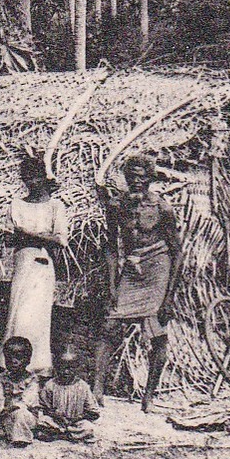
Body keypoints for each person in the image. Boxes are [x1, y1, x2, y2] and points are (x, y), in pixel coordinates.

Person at [95, 154, 183, 413]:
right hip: (132, 268)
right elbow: (112, 248)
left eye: (142, 178)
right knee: (110, 325)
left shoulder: (162, 209)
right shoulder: (117, 206)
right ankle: (97, 390)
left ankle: (149, 397)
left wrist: (168, 297)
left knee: (157, 333)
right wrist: (112, 285)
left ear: (150, 179)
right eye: (132, 177)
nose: (136, 182)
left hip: (158, 266)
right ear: (125, 177)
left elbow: (177, 252)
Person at [4, 153, 69, 374]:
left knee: (38, 316)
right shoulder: (16, 205)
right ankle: (12, 366)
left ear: (43, 177)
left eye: (35, 177)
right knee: (18, 314)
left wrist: (30, 234)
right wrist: (36, 236)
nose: (32, 182)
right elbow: (9, 238)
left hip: (42, 266)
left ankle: (38, 366)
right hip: (22, 265)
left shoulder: (55, 207)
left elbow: (60, 239)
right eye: (27, 177)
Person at [0, 336, 41, 446]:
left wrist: (11, 408)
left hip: (22, 412)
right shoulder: (2, 377)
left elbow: (28, 401)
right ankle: (4, 430)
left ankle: (20, 438)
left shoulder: (32, 379)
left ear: (28, 360)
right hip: (5, 412)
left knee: (20, 415)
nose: (14, 361)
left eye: (18, 358)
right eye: (9, 358)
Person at [36, 347, 102, 443]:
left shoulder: (83, 386)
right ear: (56, 367)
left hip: (76, 422)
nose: (66, 372)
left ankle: (62, 435)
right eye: (62, 368)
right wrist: (57, 416)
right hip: (56, 421)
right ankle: (70, 435)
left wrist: (76, 418)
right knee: (42, 421)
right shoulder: (50, 385)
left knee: (88, 428)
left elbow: (94, 413)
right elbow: (43, 408)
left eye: (70, 368)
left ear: (77, 368)